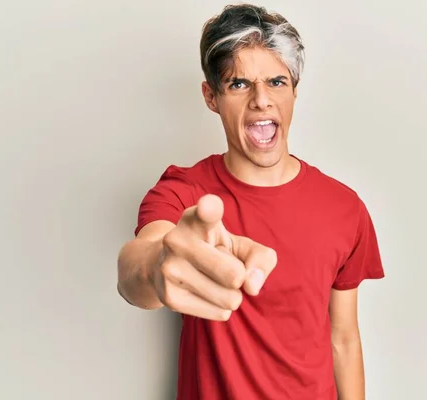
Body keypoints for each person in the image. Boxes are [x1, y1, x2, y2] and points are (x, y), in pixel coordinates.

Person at [117, 4, 385, 399]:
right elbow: (135, 268)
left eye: (277, 82)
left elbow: (343, 339)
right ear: (211, 96)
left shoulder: (345, 208)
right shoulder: (184, 192)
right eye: (239, 84)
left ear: (294, 91)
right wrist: (157, 268)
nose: (261, 100)